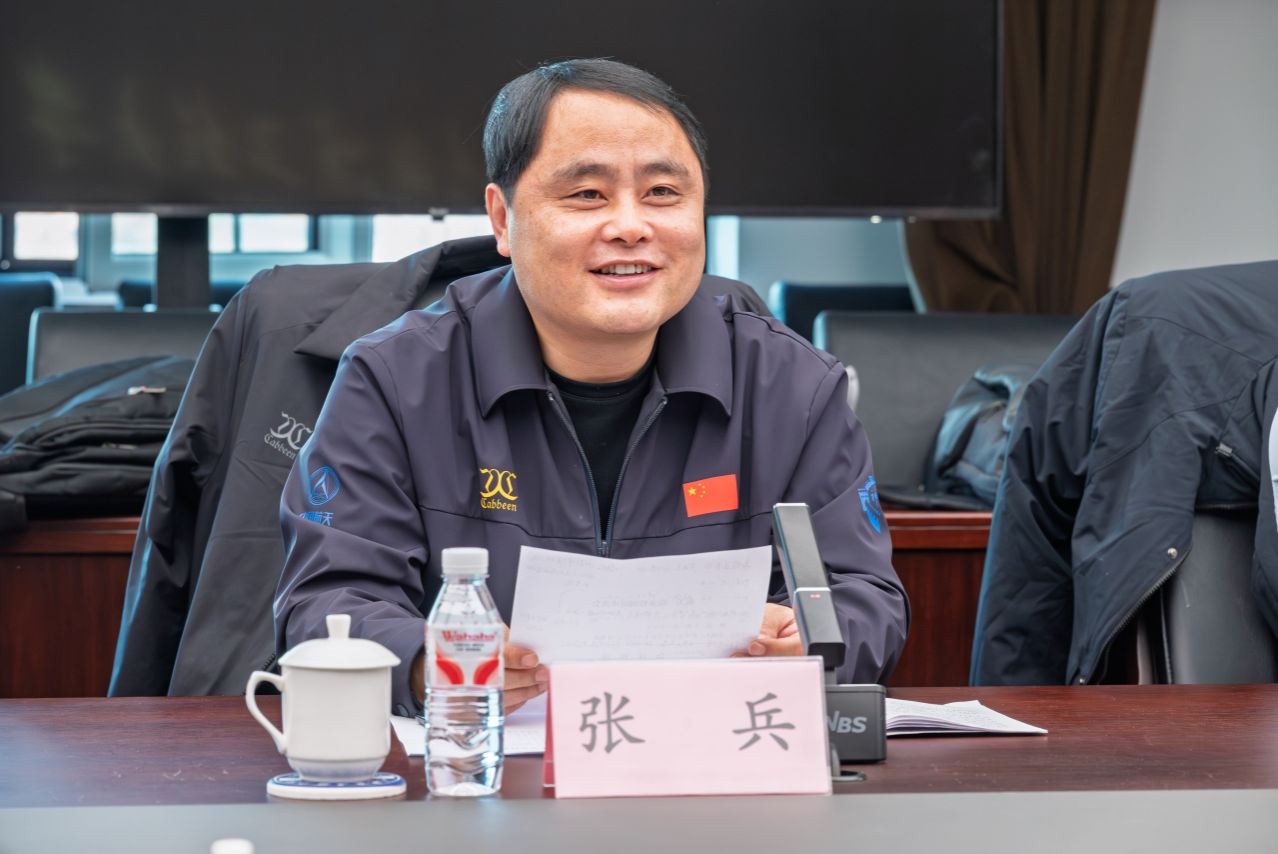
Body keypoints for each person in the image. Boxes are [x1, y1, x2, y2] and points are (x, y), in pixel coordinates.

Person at [275, 59, 908, 716]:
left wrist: (807, 643)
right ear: (502, 218)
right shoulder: (396, 381)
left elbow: (864, 597)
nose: (631, 226)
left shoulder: (793, 388)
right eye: (586, 195)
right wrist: (427, 662)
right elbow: (327, 603)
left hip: (711, 758)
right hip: (482, 759)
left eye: (663, 192)